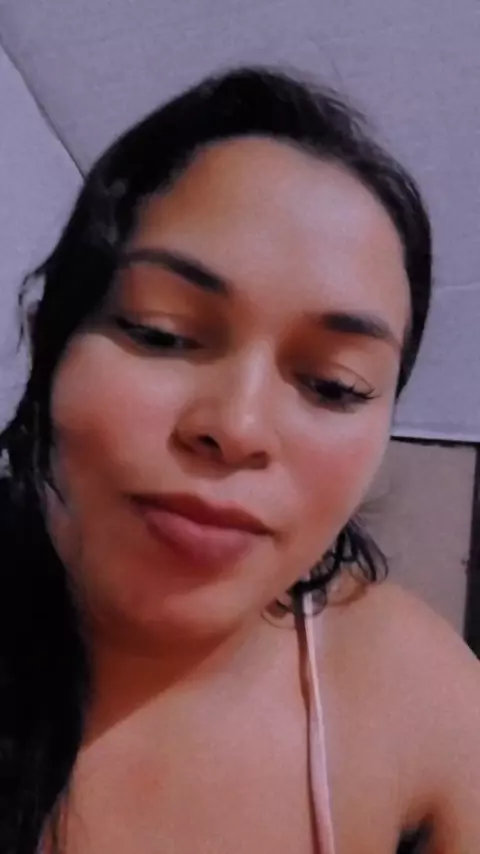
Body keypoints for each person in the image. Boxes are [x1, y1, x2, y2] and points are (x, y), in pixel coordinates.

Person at [0, 65, 479, 854]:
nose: (238, 425)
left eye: (333, 384)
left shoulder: (414, 699)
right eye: (161, 333)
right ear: (49, 342)